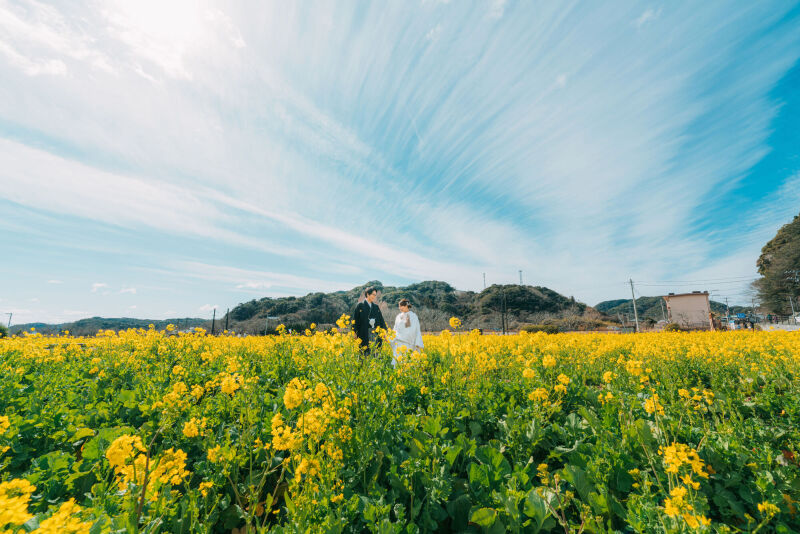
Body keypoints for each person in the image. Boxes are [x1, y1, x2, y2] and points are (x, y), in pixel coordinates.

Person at [352, 286, 387, 354]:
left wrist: (384, 332)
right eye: (373, 294)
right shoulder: (360, 305)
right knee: (364, 353)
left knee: (376, 352)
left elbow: (381, 320)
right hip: (364, 332)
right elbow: (355, 320)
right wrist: (354, 332)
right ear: (367, 294)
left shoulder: (376, 307)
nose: (374, 296)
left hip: (375, 333)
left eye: (375, 295)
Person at [391, 298, 423, 365]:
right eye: (399, 306)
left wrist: (417, 342)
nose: (399, 308)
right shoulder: (398, 316)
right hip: (399, 343)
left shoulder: (413, 316)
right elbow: (395, 329)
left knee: (408, 362)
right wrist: (390, 338)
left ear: (406, 306)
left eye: (401, 306)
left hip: (409, 343)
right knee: (398, 362)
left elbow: (416, 329)